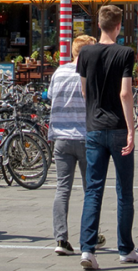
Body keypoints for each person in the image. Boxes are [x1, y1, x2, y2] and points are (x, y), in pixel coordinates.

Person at [77, 4, 138, 269]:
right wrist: (132, 128)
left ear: (99, 25)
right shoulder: (125, 53)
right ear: (118, 27)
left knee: (93, 189)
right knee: (124, 191)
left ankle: (87, 249)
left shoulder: (85, 53)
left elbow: (83, 91)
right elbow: (125, 93)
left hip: (94, 127)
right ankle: (125, 248)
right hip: (117, 127)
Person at [50, 35, 99, 256]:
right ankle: (90, 236)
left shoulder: (59, 72)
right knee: (91, 190)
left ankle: (61, 238)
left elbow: (50, 96)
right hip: (86, 136)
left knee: (62, 189)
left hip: (61, 138)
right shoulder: (90, 73)